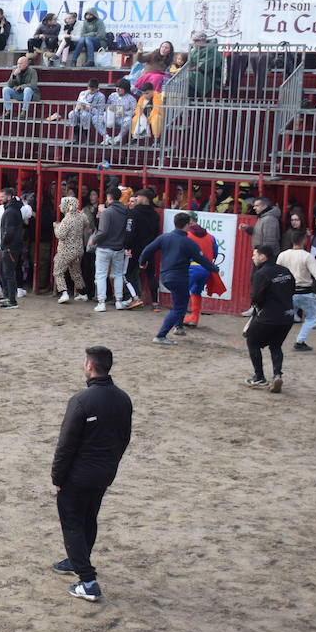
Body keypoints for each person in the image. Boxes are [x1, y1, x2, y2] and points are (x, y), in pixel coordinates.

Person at [50, 346, 133, 603]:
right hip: (104, 473)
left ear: (89, 366)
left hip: (78, 475)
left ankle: (87, 582)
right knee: (88, 518)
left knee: (73, 523)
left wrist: (57, 477)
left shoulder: (81, 401)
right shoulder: (123, 399)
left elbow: (66, 444)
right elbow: (125, 438)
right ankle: (77, 560)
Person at [139, 212, 219, 345]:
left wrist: (142, 263)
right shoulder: (189, 242)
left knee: (180, 301)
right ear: (187, 225)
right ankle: (161, 335)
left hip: (165, 276)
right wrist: (214, 268)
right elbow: (202, 259)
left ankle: (179, 327)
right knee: (179, 307)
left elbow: (147, 250)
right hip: (179, 278)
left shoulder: (164, 237)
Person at [243, 245, 295, 392]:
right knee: (276, 345)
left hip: (269, 316)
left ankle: (259, 377)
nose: (253, 257)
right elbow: (292, 290)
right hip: (288, 316)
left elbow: (256, 298)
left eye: (255, 255)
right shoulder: (285, 271)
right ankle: (277, 375)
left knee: (252, 340)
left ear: (262, 257)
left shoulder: (261, 274)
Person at [276, 229, 316, 352]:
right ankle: (300, 341)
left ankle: (274, 338)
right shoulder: (307, 256)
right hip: (305, 293)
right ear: (304, 240)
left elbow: (277, 273)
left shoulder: (282, 255)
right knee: (312, 318)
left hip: (288, 293)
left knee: (284, 317)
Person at [88, 186, 132, 313]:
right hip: (119, 248)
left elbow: (103, 231)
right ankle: (119, 301)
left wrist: (93, 240)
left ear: (109, 197)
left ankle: (101, 302)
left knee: (101, 275)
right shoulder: (125, 211)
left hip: (104, 248)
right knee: (117, 275)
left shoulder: (107, 212)